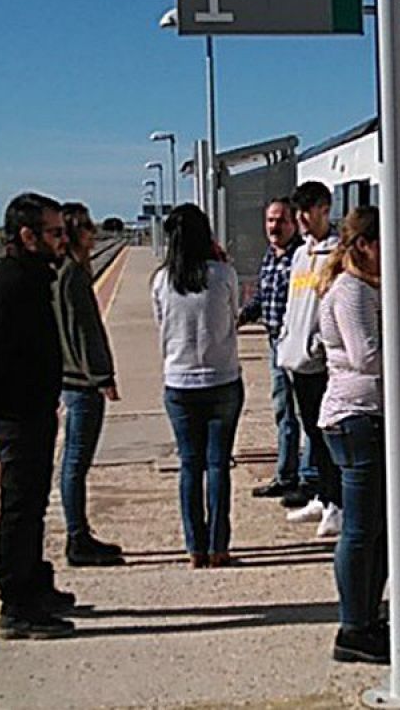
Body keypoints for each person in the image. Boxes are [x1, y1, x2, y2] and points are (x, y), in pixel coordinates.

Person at [0, 192, 75, 639]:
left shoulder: (32, 276)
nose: (62, 239)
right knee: (19, 509)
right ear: (27, 236)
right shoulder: (10, 284)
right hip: (16, 415)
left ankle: (34, 583)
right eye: (54, 232)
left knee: (33, 506)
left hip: (34, 409)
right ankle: (16, 604)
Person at [152, 204, 245, 569]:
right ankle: (220, 546)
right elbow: (234, 316)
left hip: (178, 382)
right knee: (218, 465)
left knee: (190, 466)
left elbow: (160, 324)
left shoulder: (160, 281)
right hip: (222, 379)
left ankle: (195, 548)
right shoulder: (223, 274)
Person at [315, 206, 390, 663]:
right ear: (363, 244)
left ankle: (366, 615)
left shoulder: (359, 288)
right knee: (361, 530)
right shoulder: (352, 291)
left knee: (377, 527)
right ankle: (353, 627)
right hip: (356, 415)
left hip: (362, 415)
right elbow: (366, 356)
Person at [54, 202, 123, 567]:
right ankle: (77, 537)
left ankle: (79, 533)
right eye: (86, 228)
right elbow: (84, 332)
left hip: (72, 379)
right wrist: (101, 377)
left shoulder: (66, 272)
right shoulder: (73, 276)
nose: (93, 233)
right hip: (81, 383)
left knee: (75, 461)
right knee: (76, 461)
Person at [276, 181, 343, 537]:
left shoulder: (336, 253)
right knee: (312, 434)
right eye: (297, 211)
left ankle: (337, 502)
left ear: (324, 209)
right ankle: (322, 494)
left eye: (307, 211)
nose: (301, 219)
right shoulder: (301, 254)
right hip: (296, 357)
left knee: (326, 433)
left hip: (319, 360)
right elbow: (294, 303)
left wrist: (319, 344)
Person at [239, 198, 305, 499]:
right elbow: (262, 298)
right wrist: (240, 316)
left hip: (298, 343)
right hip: (275, 341)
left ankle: (308, 479)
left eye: (280, 221)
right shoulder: (270, 257)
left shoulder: (301, 257)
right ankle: (286, 475)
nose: (274, 227)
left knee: (306, 413)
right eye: (270, 221)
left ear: (293, 224)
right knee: (283, 410)